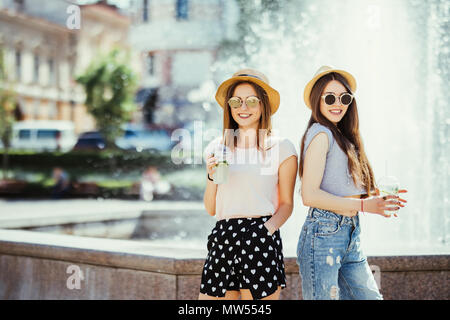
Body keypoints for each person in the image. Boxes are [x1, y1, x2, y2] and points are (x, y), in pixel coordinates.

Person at [296, 66, 408, 300]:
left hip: (349, 232)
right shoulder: (320, 134)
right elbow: (310, 195)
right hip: (323, 234)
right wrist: (367, 206)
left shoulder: (343, 136)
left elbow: (340, 186)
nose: (338, 103)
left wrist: (374, 197)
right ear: (317, 100)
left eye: (344, 98)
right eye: (329, 97)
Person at [198, 69, 298, 300]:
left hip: (260, 234)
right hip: (223, 235)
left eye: (252, 101)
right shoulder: (216, 147)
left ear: (264, 105)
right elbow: (211, 208)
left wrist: (265, 232)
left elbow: (286, 204)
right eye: (236, 101)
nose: (243, 107)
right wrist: (212, 177)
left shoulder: (281, 147)